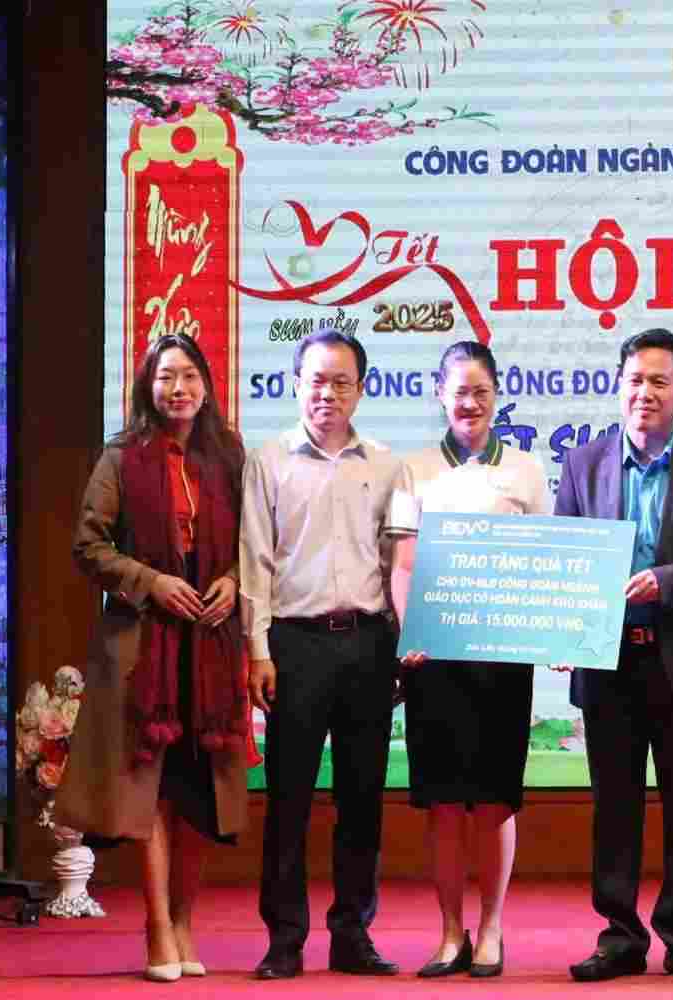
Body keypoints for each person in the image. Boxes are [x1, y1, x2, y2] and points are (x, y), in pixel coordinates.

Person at [554, 329, 673, 983]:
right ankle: (620, 935)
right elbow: (565, 562)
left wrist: (669, 582)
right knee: (614, 808)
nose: (645, 392)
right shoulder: (583, 464)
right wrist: (560, 632)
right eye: (635, 380)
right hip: (608, 664)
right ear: (619, 385)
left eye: (660, 381)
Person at [56, 333, 248, 982]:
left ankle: (186, 920)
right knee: (154, 790)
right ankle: (157, 926)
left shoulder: (228, 455)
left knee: (198, 790)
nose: (178, 388)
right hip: (145, 645)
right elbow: (90, 546)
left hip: (212, 642)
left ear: (207, 385)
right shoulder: (121, 456)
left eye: (189, 376)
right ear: (147, 385)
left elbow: (257, 540)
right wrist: (151, 581)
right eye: (166, 377)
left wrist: (234, 581)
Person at [240, 330, 408, 980]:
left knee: (362, 797)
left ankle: (352, 934)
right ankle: (284, 940)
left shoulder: (386, 465)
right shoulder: (269, 461)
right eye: (316, 380)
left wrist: (401, 645)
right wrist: (258, 651)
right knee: (288, 800)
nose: (327, 393)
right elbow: (254, 563)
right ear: (295, 384)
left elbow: (399, 564)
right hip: (296, 645)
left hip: (369, 643)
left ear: (361, 390)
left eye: (341, 382)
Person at [388, 341, 550, 978]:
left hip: (503, 659)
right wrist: (410, 633)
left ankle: (491, 929)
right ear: (440, 394)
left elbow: (545, 564)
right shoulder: (414, 469)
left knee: (495, 799)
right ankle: (450, 931)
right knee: (445, 802)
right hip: (435, 659)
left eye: (482, 391)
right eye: (460, 391)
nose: (471, 403)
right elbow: (403, 564)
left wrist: (553, 636)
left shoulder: (527, 471)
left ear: (496, 396)